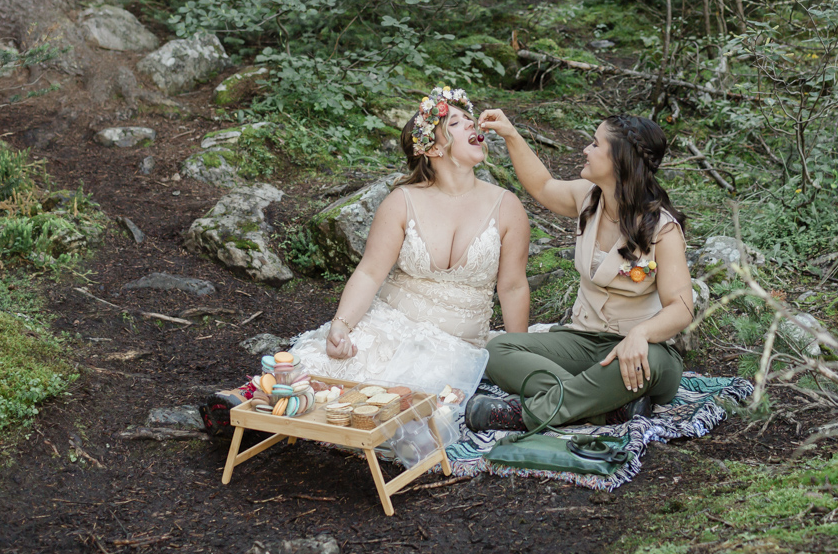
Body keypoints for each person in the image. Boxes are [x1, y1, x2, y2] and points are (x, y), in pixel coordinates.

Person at [200, 87, 531, 436]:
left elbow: (512, 287)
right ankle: (242, 406)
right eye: (457, 121)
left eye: (470, 119)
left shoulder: (506, 206)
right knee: (327, 362)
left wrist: (520, 357)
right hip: (392, 321)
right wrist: (341, 325)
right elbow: (370, 273)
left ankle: (276, 419)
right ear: (433, 148)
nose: (472, 125)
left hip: (457, 343)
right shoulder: (402, 201)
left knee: (409, 395)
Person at [464, 111, 694, 432]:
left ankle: (525, 415)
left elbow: (681, 309)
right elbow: (543, 185)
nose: (585, 149)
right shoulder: (588, 198)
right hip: (583, 343)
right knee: (498, 350)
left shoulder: (662, 229)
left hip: (642, 356)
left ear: (619, 161)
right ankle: (605, 406)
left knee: (651, 362)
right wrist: (511, 135)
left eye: (595, 144)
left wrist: (640, 335)